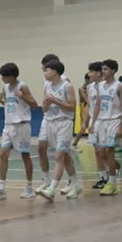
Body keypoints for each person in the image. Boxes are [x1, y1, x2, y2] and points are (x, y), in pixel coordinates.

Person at [0, 63, 37, 200]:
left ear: (12, 76)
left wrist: (22, 96)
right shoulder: (5, 88)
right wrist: (1, 101)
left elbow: (34, 104)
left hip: (22, 125)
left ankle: (29, 187)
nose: (2, 79)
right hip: (8, 125)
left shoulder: (23, 86)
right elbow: (11, 105)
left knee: (25, 155)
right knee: (3, 154)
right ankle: (1, 187)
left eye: (4, 76)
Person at [35, 59, 80, 201]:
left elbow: (72, 107)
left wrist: (57, 101)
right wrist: (47, 104)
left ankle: (52, 188)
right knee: (65, 156)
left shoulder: (67, 86)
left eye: (46, 70)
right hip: (51, 123)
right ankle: (76, 184)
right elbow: (44, 109)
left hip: (64, 123)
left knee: (59, 156)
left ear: (54, 72)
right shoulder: (47, 85)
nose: (44, 73)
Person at [93, 59, 122, 196]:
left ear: (113, 71)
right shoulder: (100, 86)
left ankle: (112, 183)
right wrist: (93, 123)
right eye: (102, 69)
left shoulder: (119, 86)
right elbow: (98, 104)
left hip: (114, 120)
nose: (103, 72)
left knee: (109, 152)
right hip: (102, 121)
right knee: (101, 153)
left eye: (106, 69)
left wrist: (121, 127)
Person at [35, 54, 66, 190]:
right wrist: (45, 106)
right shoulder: (46, 81)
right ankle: (46, 180)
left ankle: (72, 181)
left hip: (61, 120)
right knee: (41, 148)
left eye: (45, 66)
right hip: (48, 118)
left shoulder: (64, 81)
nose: (43, 68)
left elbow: (69, 103)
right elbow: (45, 99)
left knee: (63, 153)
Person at [76, 64, 103, 193]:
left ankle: (119, 172)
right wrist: (85, 122)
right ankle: (103, 177)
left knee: (105, 152)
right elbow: (89, 105)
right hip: (93, 120)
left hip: (105, 120)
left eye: (91, 71)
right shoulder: (90, 87)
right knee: (97, 151)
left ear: (99, 73)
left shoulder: (106, 86)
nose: (89, 74)